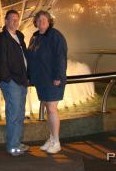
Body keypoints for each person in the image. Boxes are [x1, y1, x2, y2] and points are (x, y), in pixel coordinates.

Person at [26, 10, 67, 154]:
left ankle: (56, 142)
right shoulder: (35, 37)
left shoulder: (55, 36)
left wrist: (58, 76)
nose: (41, 22)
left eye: (44, 20)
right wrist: (29, 76)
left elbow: (60, 57)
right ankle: (51, 138)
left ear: (49, 21)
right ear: (35, 23)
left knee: (52, 109)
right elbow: (30, 58)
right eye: (38, 20)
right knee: (48, 110)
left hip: (52, 79)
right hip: (41, 79)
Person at [0, 9, 29, 156]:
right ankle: (12, 146)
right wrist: (8, 78)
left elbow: (23, 57)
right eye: (12, 19)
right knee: (14, 114)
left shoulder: (19, 36)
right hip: (12, 82)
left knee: (20, 113)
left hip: (22, 80)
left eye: (17, 19)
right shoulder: (1, 39)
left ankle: (17, 143)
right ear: (6, 21)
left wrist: (27, 75)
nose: (15, 21)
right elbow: (0, 61)